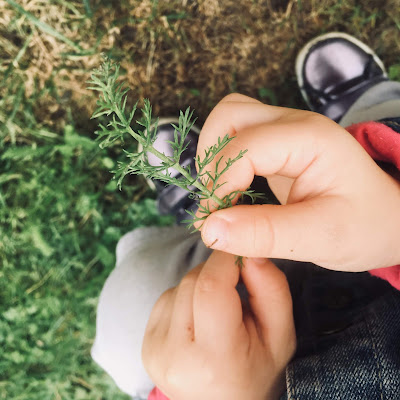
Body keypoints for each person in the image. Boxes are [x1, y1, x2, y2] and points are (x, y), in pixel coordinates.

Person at [91, 32, 400, 399]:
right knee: (370, 139)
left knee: (127, 332)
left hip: (257, 354)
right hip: (384, 254)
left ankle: (202, 215)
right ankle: (369, 109)